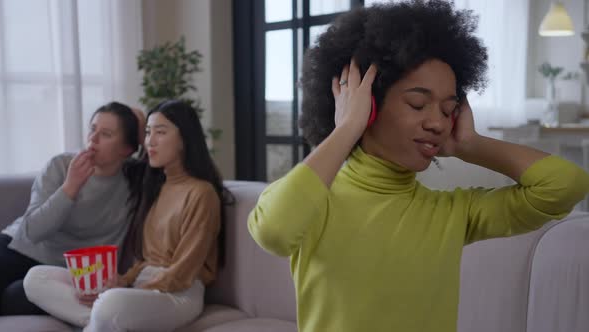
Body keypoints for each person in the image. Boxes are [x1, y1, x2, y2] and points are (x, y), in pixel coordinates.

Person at [247, 1, 589, 332]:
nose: (437, 123)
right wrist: (347, 130)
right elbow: (274, 232)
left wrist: (473, 145)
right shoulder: (314, 201)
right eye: (418, 103)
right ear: (368, 107)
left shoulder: (452, 212)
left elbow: (566, 185)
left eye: (447, 109)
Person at [24, 100, 227, 332]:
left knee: (111, 303)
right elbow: (145, 261)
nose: (150, 141)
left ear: (184, 140)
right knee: (36, 279)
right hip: (141, 287)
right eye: (148, 132)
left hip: (178, 293)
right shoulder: (155, 187)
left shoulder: (202, 193)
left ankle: (104, 318)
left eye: (160, 132)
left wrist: (127, 290)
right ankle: (102, 321)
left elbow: (184, 272)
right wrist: (121, 281)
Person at [0, 101, 142, 315]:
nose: (93, 139)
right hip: (19, 248)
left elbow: (164, 157)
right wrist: (70, 187)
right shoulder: (60, 165)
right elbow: (32, 232)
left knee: (15, 296)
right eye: (92, 129)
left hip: (66, 271)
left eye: (106, 134)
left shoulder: (136, 180)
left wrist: (142, 129)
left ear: (126, 149)